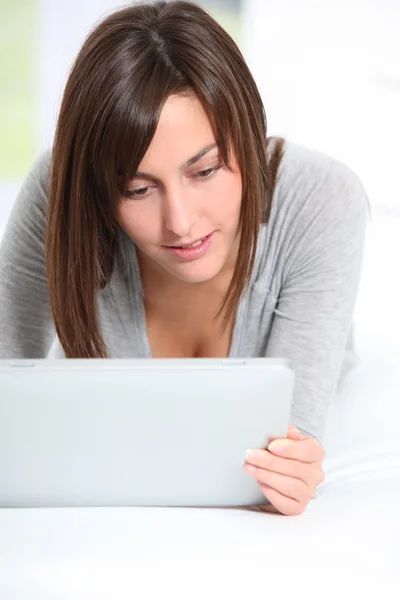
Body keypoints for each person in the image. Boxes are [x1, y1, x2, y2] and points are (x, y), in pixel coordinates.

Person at [0, 0, 369, 515]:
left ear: (248, 133)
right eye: (136, 189)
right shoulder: (58, 190)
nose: (181, 221)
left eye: (206, 170)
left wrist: (291, 471)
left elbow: (289, 450)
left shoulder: (322, 200)